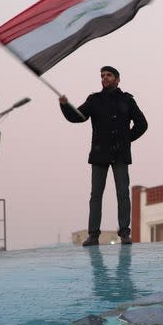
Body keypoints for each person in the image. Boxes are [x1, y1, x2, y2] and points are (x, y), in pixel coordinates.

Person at [60, 66, 148, 246]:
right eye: (102, 76)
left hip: (120, 154)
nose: (104, 78)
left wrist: (126, 140)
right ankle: (93, 235)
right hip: (100, 154)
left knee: (123, 193)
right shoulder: (94, 100)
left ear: (117, 79)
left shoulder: (127, 100)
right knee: (96, 195)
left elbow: (142, 124)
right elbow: (78, 117)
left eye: (108, 75)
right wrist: (64, 105)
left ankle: (124, 233)